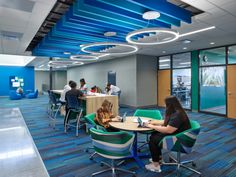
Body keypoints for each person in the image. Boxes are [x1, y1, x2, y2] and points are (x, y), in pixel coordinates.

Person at [144, 96, 191, 172]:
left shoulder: (177, 115)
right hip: (179, 133)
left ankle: (155, 165)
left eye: (166, 104)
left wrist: (151, 126)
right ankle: (158, 159)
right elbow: (167, 122)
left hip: (180, 139)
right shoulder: (177, 111)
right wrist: (153, 122)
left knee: (154, 139)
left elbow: (168, 130)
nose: (165, 105)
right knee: (154, 134)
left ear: (170, 105)